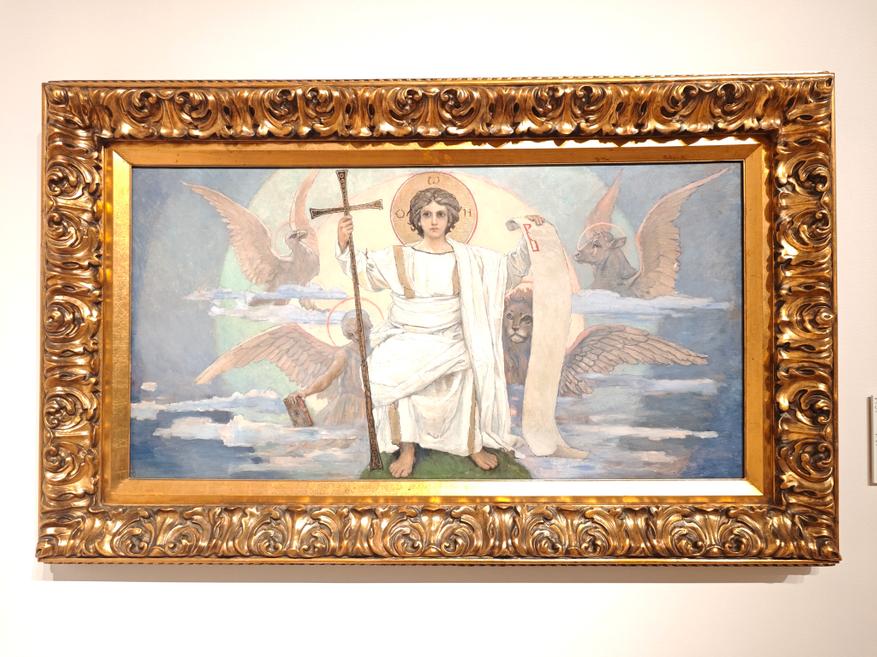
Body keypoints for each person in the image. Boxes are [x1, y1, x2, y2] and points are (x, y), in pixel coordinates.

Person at [336, 185, 542, 477]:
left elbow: (508, 270)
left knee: (471, 362)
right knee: (397, 368)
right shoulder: (399, 257)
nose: (434, 221)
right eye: (427, 214)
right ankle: (407, 449)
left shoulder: (470, 259)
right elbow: (363, 271)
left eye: (440, 214)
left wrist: (529, 236)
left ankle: (471, 446)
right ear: (417, 219)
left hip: (452, 337)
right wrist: (344, 242)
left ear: (451, 218)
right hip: (408, 335)